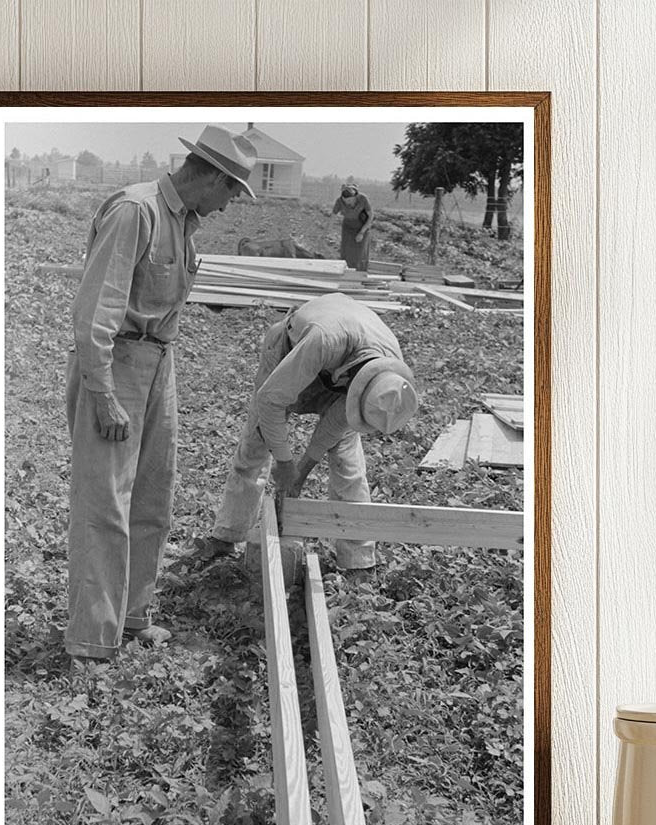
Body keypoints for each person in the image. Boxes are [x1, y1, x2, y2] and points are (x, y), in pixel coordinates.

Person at [66, 125, 257, 664]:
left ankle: (131, 617)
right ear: (213, 177)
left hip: (158, 363)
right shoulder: (136, 212)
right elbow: (94, 315)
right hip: (116, 362)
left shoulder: (186, 226)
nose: (227, 207)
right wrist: (102, 394)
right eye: (230, 192)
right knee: (105, 502)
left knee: (152, 499)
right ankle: (91, 641)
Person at [197, 292, 418, 570]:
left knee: (347, 460)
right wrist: (284, 462)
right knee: (256, 442)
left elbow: (334, 426)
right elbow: (271, 400)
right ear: (356, 386)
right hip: (291, 350)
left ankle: (358, 561)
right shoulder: (324, 341)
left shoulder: (390, 380)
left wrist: (300, 472)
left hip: (342, 367)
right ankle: (227, 536)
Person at [329, 183, 373, 271]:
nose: (347, 203)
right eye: (345, 200)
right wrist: (329, 230)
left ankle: (359, 273)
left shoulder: (363, 199)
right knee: (346, 251)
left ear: (355, 197)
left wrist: (361, 232)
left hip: (362, 226)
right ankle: (346, 272)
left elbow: (371, 216)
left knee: (360, 253)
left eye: (349, 200)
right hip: (348, 227)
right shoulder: (339, 201)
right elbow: (333, 216)